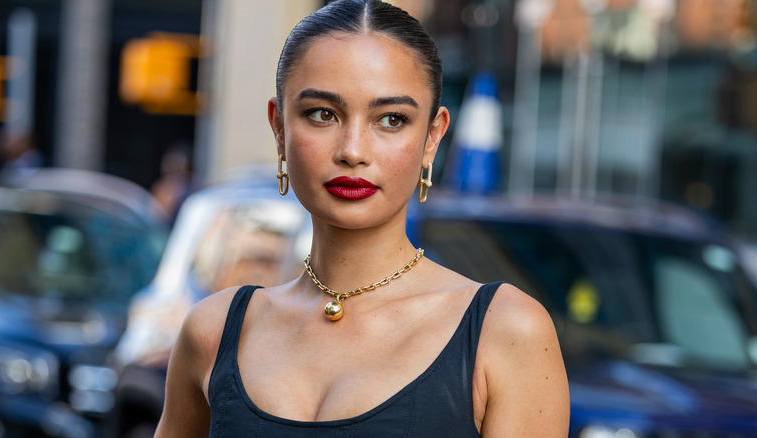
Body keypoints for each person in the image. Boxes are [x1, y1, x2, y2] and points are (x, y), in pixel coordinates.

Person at [155, 1, 569, 436]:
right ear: (280, 128)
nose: (353, 150)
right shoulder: (213, 332)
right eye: (322, 114)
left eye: (391, 119)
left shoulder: (504, 332)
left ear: (432, 138)